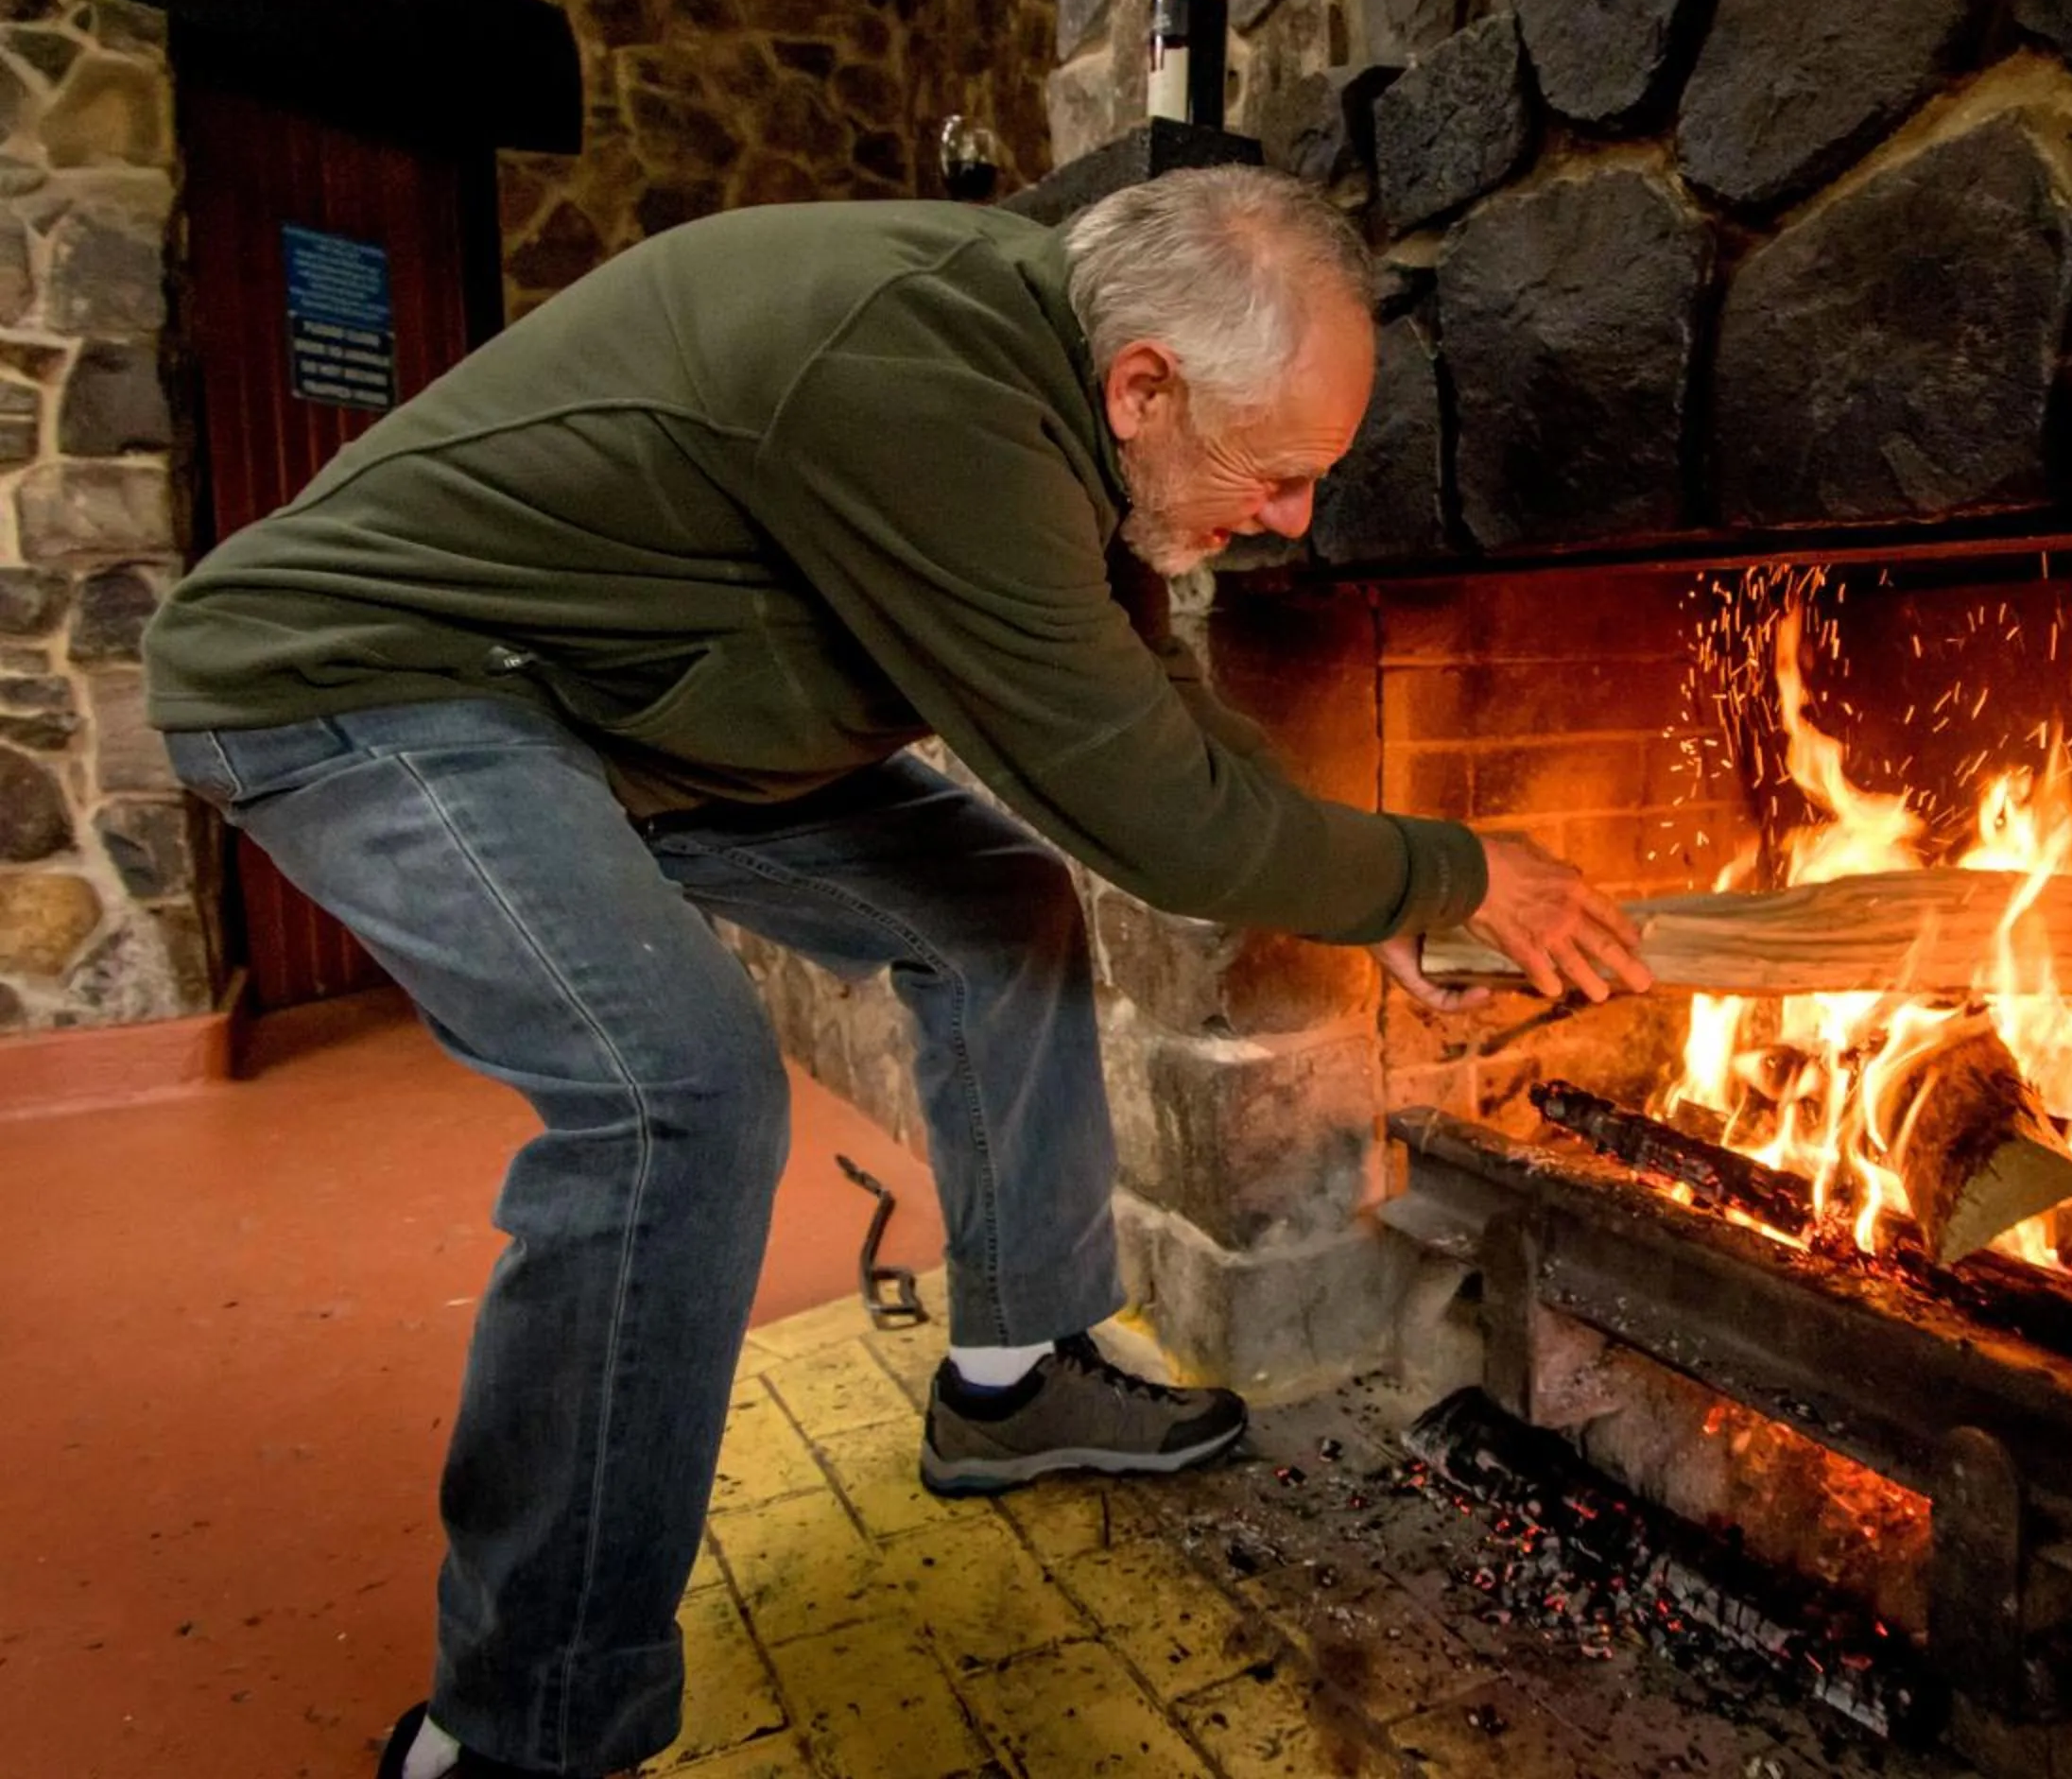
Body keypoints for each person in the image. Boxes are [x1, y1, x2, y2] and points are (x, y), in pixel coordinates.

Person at [142, 167, 1651, 1779]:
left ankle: (1012, 1381)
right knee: (678, 1100)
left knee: (992, 899)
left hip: (618, 717)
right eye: (1276, 475)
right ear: (1146, 386)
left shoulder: (1055, 393)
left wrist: (1383, 885)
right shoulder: (927, 387)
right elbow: (1151, 815)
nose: (1290, 521)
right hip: (372, 684)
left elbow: (1149, 704)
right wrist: (1452, 867)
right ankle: (515, 1733)